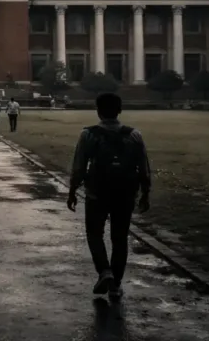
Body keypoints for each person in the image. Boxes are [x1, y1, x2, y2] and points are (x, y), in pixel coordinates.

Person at [66, 93, 151, 300]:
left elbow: (79, 167)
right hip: (125, 193)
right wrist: (145, 194)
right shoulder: (134, 135)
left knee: (95, 234)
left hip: (97, 192)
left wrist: (72, 191)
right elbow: (144, 168)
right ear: (120, 110)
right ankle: (116, 284)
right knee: (120, 238)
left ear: (98, 111)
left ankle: (105, 271)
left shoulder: (88, 134)